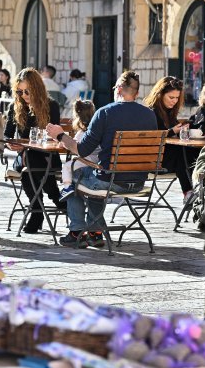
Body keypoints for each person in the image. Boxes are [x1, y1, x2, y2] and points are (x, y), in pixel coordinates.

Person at [46, 71, 157, 248]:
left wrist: (59, 135)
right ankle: (95, 232)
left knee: (77, 176)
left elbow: (81, 150)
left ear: (119, 89)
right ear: (136, 93)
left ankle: (76, 232)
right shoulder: (149, 115)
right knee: (95, 173)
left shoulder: (104, 113)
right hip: (139, 182)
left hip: (111, 181)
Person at [4, 67, 62, 233]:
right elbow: (7, 134)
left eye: (27, 91)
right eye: (19, 91)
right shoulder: (15, 107)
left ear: (37, 89)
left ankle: (37, 212)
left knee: (29, 165)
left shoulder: (51, 106)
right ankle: (56, 197)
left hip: (47, 157)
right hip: (23, 157)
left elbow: (55, 136)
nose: (24, 96)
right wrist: (10, 144)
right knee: (28, 158)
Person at [145, 76, 194, 198]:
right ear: (160, 95)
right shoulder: (151, 112)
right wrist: (172, 131)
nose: (174, 101)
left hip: (170, 157)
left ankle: (196, 189)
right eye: (171, 97)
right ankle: (189, 191)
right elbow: (151, 138)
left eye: (177, 98)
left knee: (193, 151)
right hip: (154, 159)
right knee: (181, 151)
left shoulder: (170, 112)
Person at [58, 99, 99, 201]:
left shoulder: (82, 132)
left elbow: (73, 146)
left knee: (67, 167)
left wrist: (63, 142)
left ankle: (67, 187)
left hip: (86, 160)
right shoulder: (97, 130)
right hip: (98, 161)